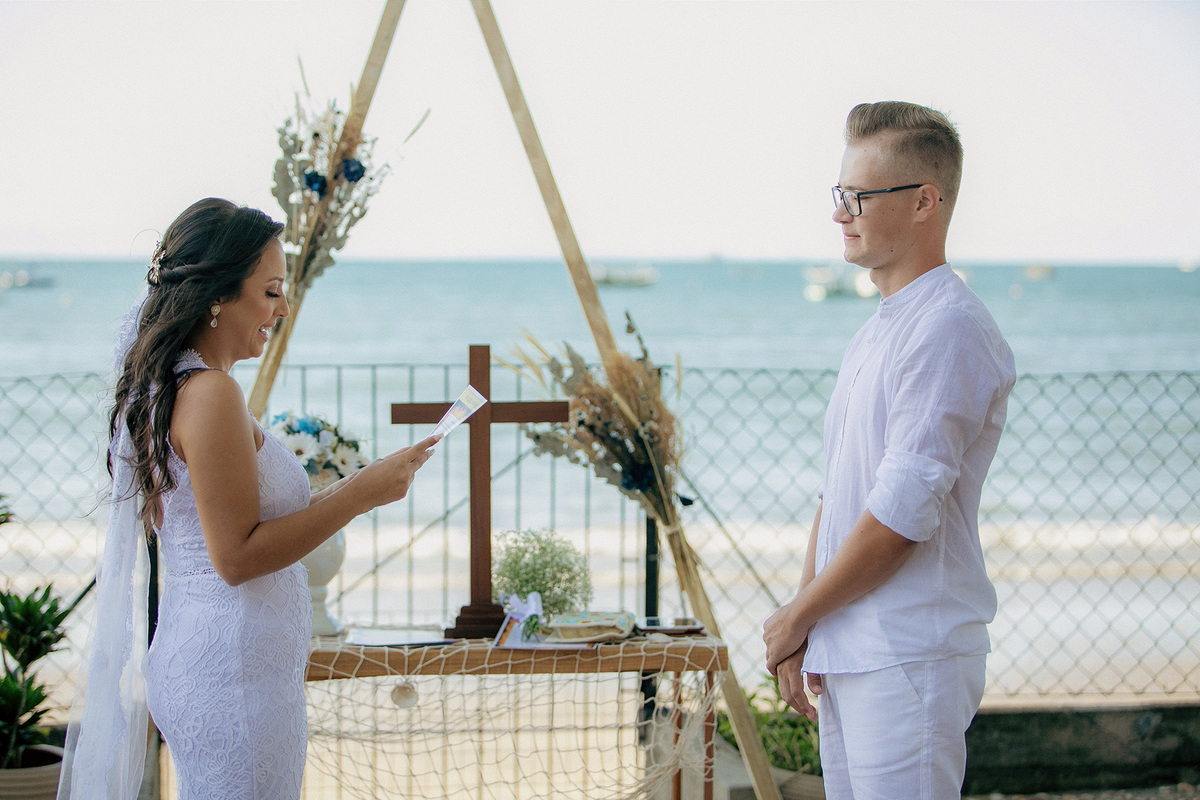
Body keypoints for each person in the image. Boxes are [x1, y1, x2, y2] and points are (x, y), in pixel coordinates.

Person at [58, 198, 439, 800]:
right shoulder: (210, 394)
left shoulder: (181, 386)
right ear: (217, 295)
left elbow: (237, 520)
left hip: (224, 663)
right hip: (229, 677)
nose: (282, 308)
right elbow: (235, 556)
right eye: (269, 291)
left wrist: (361, 482)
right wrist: (360, 497)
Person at [763, 102, 1016, 799]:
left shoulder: (948, 328)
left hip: (909, 652)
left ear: (926, 202)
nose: (840, 213)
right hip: (854, 648)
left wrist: (799, 615)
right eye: (838, 194)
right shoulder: (878, 329)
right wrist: (806, 623)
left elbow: (902, 515)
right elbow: (838, 495)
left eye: (859, 197)